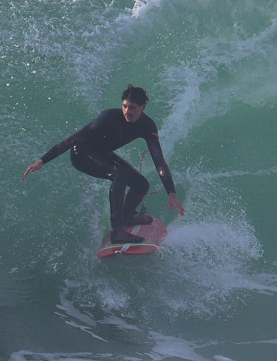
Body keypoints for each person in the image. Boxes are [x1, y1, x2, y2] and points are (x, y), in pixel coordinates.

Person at [23, 85, 185, 244]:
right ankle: (118, 231)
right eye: (124, 106)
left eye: (132, 108)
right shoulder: (108, 117)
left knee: (141, 184)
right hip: (82, 154)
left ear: (143, 107)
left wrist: (171, 192)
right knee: (119, 173)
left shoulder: (147, 126)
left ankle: (128, 218)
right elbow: (72, 140)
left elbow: (159, 160)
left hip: (102, 154)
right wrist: (43, 160)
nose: (127, 111)